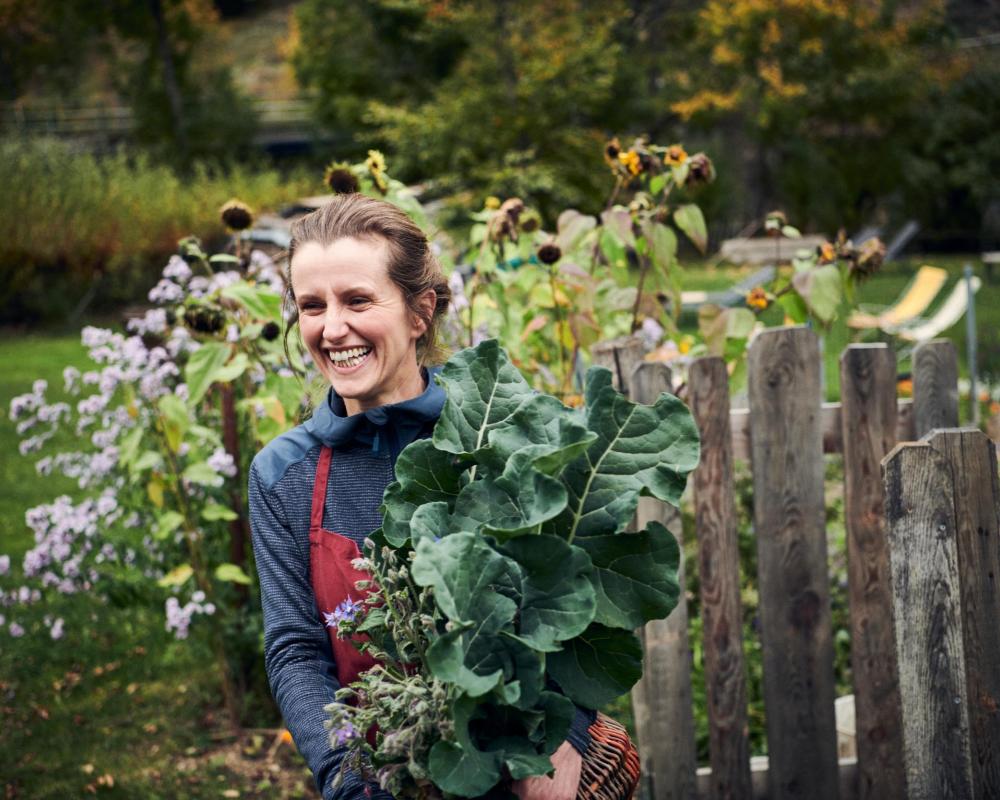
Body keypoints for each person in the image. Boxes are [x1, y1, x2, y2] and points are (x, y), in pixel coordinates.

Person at [248, 193, 594, 800]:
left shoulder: (499, 436)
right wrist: (351, 778)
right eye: (311, 306)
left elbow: (574, 606)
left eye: (357, 300)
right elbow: (295, 650)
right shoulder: (283, 475)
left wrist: (567, 738)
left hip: (519, 775)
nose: (332, 328)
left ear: (419, 311)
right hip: (381, 773)